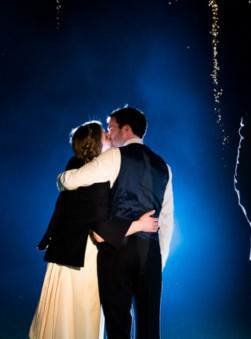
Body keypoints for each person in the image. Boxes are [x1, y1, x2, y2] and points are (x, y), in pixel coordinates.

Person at [30, 121, 160, 339]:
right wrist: (139, 225)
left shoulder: (76, 166)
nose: (111, 136)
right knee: (78, 322)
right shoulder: (96, 180)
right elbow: (100, 230)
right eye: (106, 136)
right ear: (96, 146)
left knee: (62, 321)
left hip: (65, 255)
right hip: (82, 259)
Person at [57, 106, 173, 339]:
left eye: (111, 128)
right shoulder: (164, 166)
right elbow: (166, 221)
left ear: (126, 129)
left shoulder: (114, 156)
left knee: (118, 325)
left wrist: (62, 178)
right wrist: (158, 260)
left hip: (116, 250)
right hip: (150, 253)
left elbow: (72, 181)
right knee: (150, 328)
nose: (109, 134)